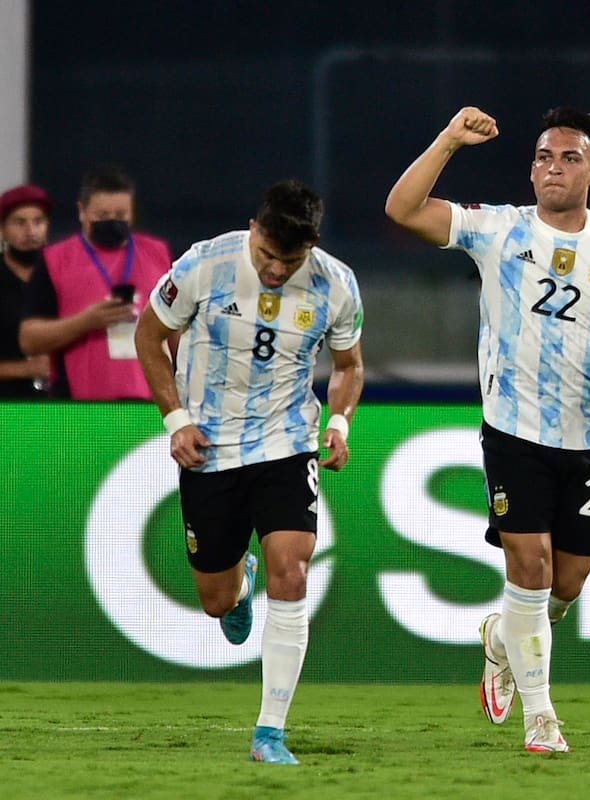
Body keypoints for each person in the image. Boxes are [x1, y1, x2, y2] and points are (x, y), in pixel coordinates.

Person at [385, 106, 590, 753]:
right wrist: (447, 141)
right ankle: (541, 717)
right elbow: (403, 209)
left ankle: (502, 638)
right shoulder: (498, 228)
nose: (555, 167)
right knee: (530, 563)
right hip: (512, 428)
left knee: (567, 583)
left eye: (570, 158)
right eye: (545, 157)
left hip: (587, 434)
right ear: (531, 169)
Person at [134, 179, 364, 765]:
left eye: (289, 261)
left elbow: (348, 365)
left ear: (309, 248)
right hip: (210, 447)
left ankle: (270, 732)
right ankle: (240, 581)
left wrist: (337, 423)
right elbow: (149, 334)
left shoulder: (336, 285)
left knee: (295, 571)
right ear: (255, 230)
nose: (274, 270)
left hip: (287, 444)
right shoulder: (205, 264)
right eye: (266, 255)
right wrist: (176, 419)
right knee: (216, 600)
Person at [20, 164, 171, 399]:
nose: (112, 221)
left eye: (121, 215)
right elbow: (29, 339)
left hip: (150, 403)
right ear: (82, 211)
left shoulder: (156, 253)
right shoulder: (55, 259)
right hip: (80, 407)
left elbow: (176, 327)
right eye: (102, 215)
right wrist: (85, 322)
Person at [0, 184, 52, 397]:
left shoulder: (61, 275)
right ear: (2, 229)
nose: (31, 232)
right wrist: (25, 370)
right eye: (20, 223)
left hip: (60, 405)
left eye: (38, 222)